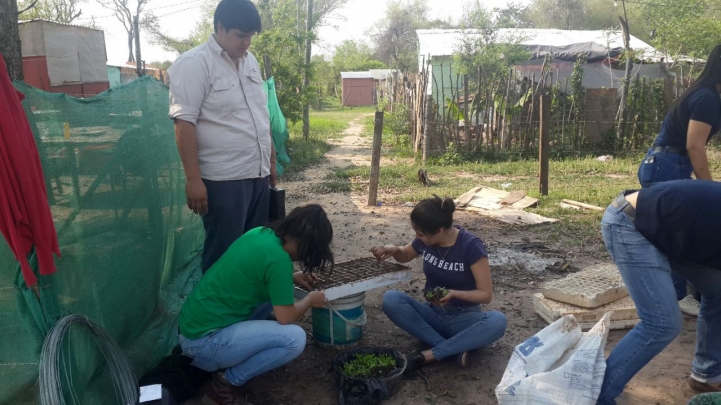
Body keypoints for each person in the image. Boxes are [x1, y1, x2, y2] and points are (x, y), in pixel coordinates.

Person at [177, 204, 333, 405]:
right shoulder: (278, 261)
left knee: (270, 310)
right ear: (306, 244)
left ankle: (227, 362)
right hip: (204, 343)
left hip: (191, 328)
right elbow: (285, 317)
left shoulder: (260, 233)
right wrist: (310, 300)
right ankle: (225, 384)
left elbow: (255, 275)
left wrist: (290, 278)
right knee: (295, 338)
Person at [168, 0, 277, 273]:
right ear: (220, 27)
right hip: (223, 180)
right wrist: (193, 180)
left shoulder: (250, 62)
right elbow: (184, 123)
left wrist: (271, 160)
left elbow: (260, 113)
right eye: (241, 35)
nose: (247, 43)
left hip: (257, 173)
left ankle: (249, 312)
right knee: (223, 255)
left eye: (251, 36)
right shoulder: (193, 64)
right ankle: (216, 316)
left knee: (255, 249)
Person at [598, 180, 721, 404]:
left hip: (669, 230)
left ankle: (707, 375)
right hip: (630, 223)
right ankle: (596, 395)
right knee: (662, 323)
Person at [372, 196, 507, 370]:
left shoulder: (471, 246)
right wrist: (395, 249)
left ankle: (430, 354)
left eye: (420, 234)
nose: (417, 237)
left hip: (464, 318)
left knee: (497, 321)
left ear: (439, 231)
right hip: (433, 314)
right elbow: (405, 255)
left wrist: (454, 294)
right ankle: (450, 349)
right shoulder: (424, 241)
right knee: (391, 299)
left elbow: (485, 295)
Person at [636, 44, 721, 316]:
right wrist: (708, 185)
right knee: (672, 234)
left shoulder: (709, 96)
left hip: (665, 164)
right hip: (668, 164)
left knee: (673, 232)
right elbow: (695, 146)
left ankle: (677, 294)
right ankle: (677, 297)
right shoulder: (706, 98)